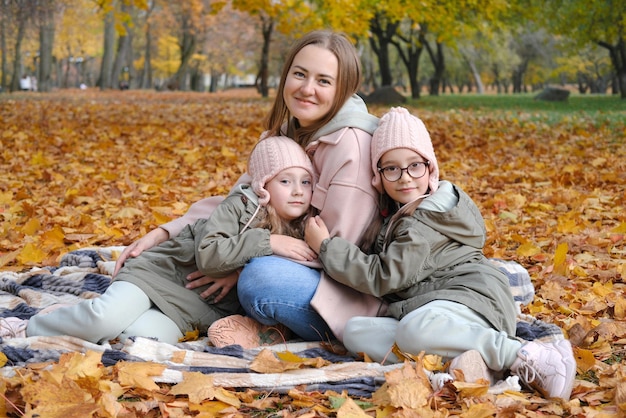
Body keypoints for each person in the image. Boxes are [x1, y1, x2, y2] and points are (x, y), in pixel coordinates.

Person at [113, 30, 384, 343]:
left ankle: (265, 326)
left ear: (343, 88)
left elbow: (335, 251)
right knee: (195, 247)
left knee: (257, 279)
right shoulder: (286, 135)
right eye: (299, 74)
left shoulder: (351, 147)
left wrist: (241, 262)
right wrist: (164, 232)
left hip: (338, 295)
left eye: (324, 81)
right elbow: (242, 203)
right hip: (289, 263)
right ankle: (154, 315)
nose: (307, 89)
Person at [304, 107, 577, 401]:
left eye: (414, 165)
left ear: (430, 168)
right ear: (378, 176)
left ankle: (522, 354)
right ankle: (467, 365)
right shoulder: (400, 214)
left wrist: (326, 246)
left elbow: (384, 276)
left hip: (471, 299)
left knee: (412, 332)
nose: (405, 177)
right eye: (391, 168)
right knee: (355, 331)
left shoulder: (422, 220)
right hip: (438, 308)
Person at [1, 136, 317, 345]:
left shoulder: (303, 230)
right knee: (104, 320)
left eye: (305, 181)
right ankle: (29, 327)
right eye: (285, 181)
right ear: (263, 185)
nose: (298, 190)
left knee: (137, 342)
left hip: (189, 307)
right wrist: (270, 243)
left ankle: (73, 322)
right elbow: (209, 256)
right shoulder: (240, 207)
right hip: (160, 274)